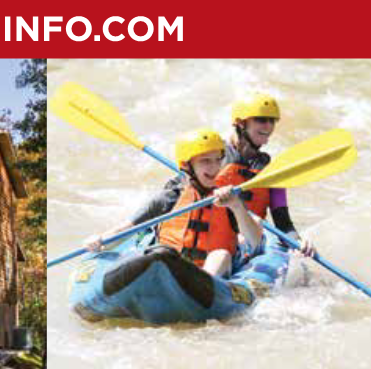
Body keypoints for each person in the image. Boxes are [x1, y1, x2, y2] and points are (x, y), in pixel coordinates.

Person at [84, 128, 266, 310]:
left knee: (221, 255)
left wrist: (235, 206)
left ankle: (202, 295)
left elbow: (255, 243)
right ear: (187, 166)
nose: (214, 168)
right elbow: (127, 228)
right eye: (205, 161)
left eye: (218, 160)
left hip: (209, 276)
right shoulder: (170, 197)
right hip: (169, 264)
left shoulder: (228, 196)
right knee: (159, 253)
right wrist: (100, 241)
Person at [217, 92, 317, 256]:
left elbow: (283, 222)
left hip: (249, 242)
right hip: (214, 241)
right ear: (241, 123)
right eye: (261, 120)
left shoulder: (272, 172)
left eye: (272, 121)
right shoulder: (212, 157)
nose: (269, 126)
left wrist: (298, 242)